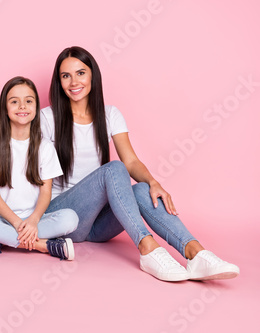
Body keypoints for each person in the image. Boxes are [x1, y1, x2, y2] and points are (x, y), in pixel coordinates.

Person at [41, 46, 239, 281]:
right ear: (59, 82)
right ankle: (148, 248)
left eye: (80, 73)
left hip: (97, 226)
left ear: (93, 75)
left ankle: (195, 253)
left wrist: (154, 183)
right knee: (115, 169)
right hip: (64, 218)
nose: (74, 81)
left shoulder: (110, 114)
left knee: (144, 188)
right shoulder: (47, 118)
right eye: (66, 76)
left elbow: (132, 160)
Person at [0, 76, 78, 260]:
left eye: (28, 101)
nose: (22, 106)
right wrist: (18, 224)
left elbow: (46, 193)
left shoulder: (45, 147)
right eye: (14, 101)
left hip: (35, 220)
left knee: (71, 218)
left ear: (36, 107)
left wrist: (33, 221)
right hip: (2, 218)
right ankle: (42, 245)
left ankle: (1, 240)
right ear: (5, 108)